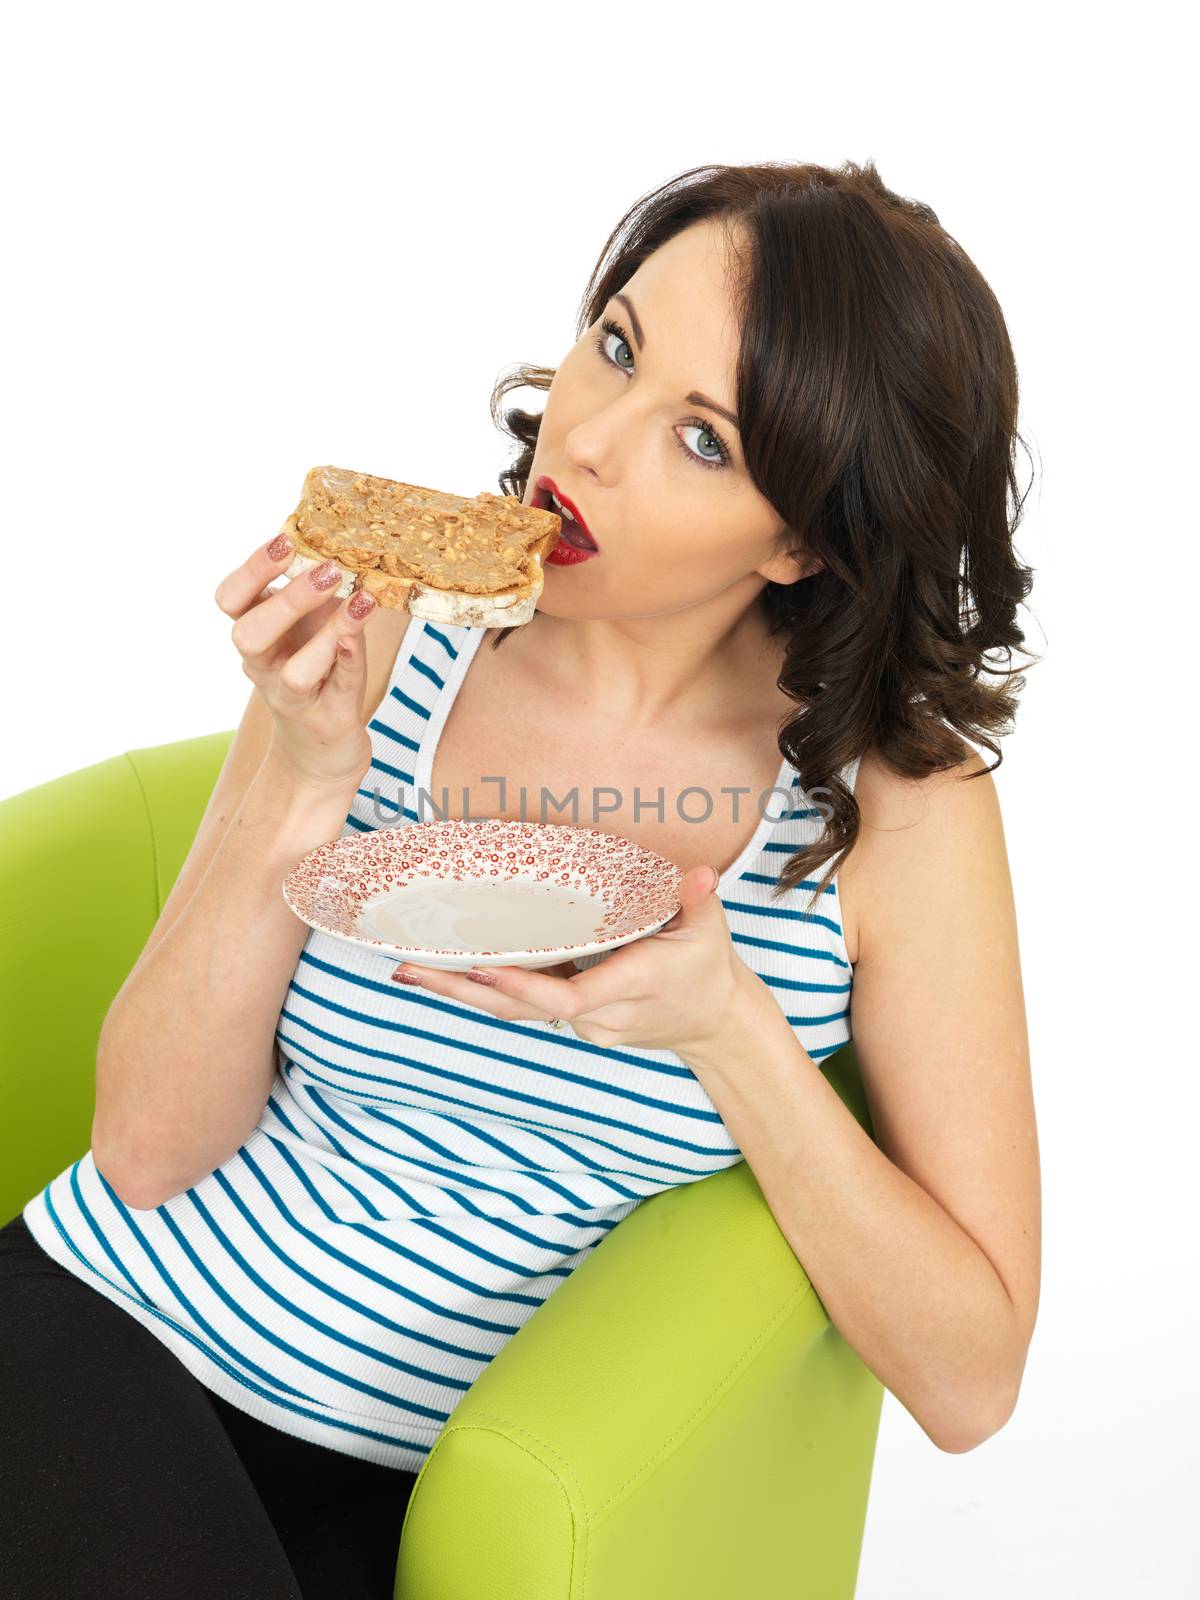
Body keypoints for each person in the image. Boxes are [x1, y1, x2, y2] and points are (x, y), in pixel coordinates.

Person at [2, 158, 1042, 1595]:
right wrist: (305, 771)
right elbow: (146, 1151)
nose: (592, 443)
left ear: (804, 537)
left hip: (444, 1496)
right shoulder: (388, 639)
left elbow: (971, 1382)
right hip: (100, 1334)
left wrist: (726, 1029)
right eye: (615, 346)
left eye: (703, 441)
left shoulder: (894, 811)